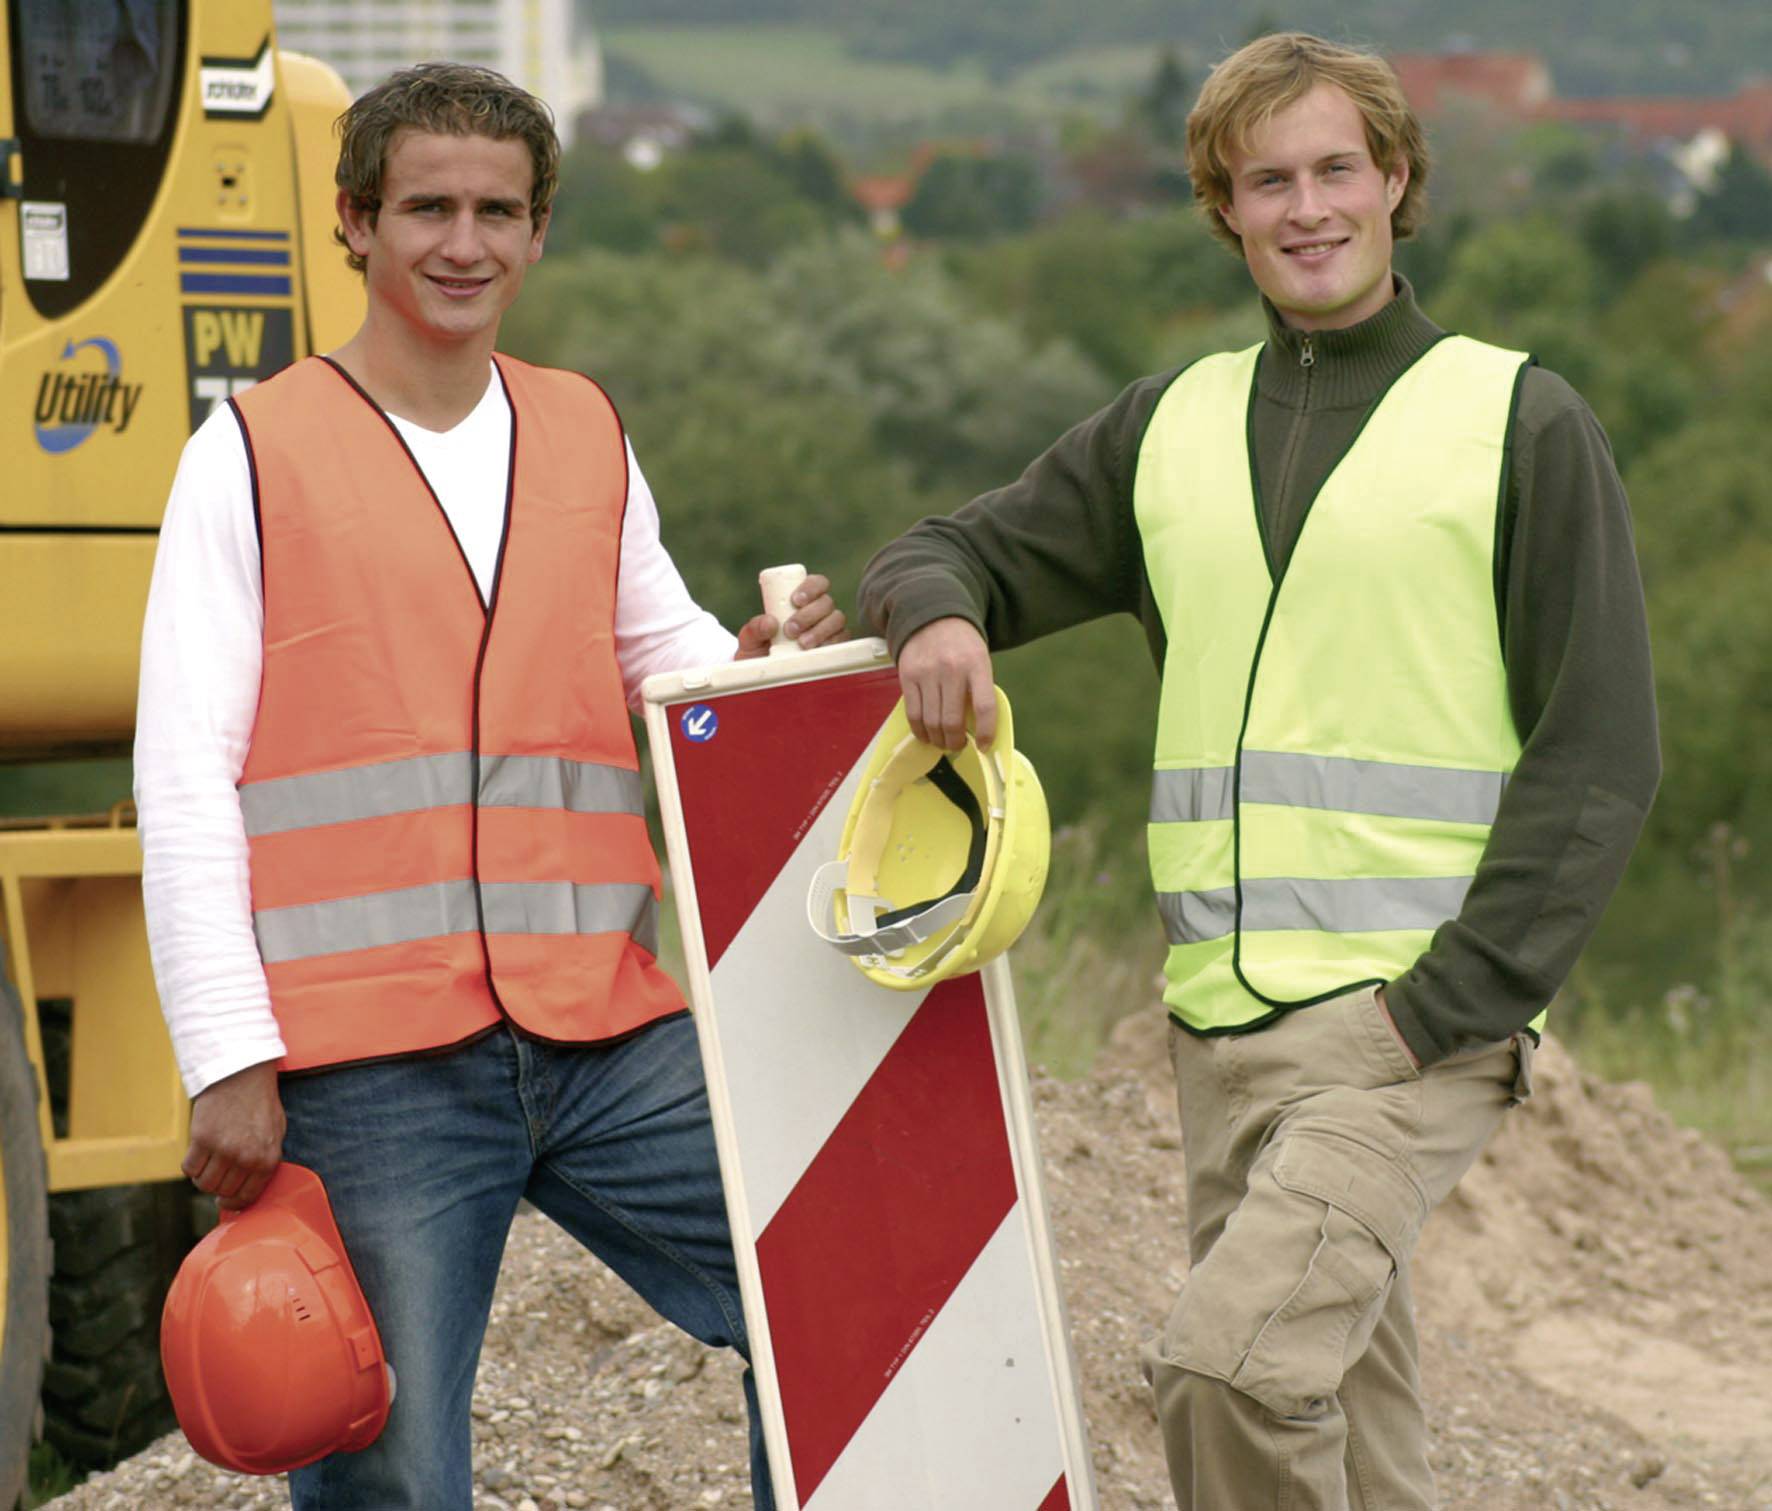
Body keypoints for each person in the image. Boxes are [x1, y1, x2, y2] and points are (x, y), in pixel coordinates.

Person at [859, 31, 1658, 1511]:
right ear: (1223, 208)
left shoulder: (1519, 419)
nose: (1306, 208)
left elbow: (1603, 753)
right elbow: (936, 549)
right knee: (1349, 1426)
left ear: (1398, 179)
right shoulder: (1169, 428)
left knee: (1232, 1372)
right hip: (1219, 1037)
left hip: (1402, 1028)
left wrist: (1447, 1011)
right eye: (1265, 179)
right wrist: (943, 613)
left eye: (1336, 169)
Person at [135, 62, 843, 1509]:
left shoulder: (585, 428)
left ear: (538, 234)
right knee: (386, 1467)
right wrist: (226, 1054)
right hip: (367, 1069)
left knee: (832, 1285)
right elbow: (188, 778)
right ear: (354, 224)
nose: (465, 244)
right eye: (429, 209)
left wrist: (756, 669)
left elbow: (670, 664)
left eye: (499, 213)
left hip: (599, 1027)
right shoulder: (248, 457)